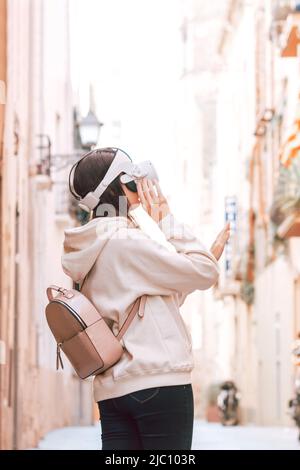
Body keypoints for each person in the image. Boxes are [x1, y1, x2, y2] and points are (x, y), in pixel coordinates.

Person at [61, 147, 230, 450]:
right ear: (118, 187)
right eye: (131, 180)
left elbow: (151, 304)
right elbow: (205, 272)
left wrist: (202, 263)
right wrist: (167, 220)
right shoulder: (127, 241)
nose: (138, 187)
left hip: (112, 391)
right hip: (158, 382)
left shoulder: (87, 247)